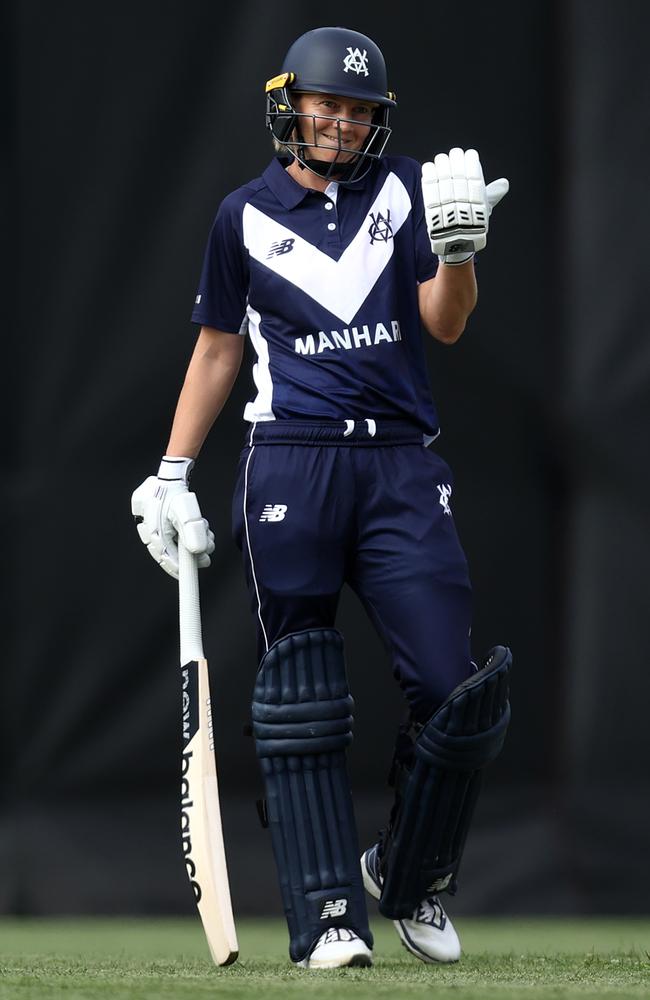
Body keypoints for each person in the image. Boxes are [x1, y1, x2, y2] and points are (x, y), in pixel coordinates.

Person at [132, 25, 512, 971]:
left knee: (452, 687)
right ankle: (327, 918)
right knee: (300, 693)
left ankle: (409, 872)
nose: (340, 121)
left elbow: (446, 324)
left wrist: (458, 251)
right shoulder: (241, 217)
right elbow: (219, 348)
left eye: (358, 109)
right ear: (290, 105)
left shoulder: (407, 191)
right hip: (289, 467)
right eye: (325, 104)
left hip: (398, 469)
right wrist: (172, 473)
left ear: (376, 121)